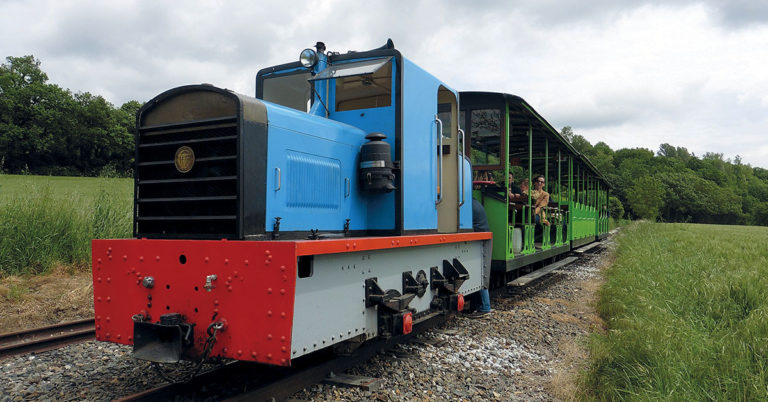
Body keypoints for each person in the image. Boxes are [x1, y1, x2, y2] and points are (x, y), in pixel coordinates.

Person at [470, 199, 492, 316]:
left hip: (480, 241)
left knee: (481, 275)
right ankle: (477, 306)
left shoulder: (468, 205)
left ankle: (485, 307)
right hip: (483, 238)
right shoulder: (475, 202)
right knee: (481, 275)